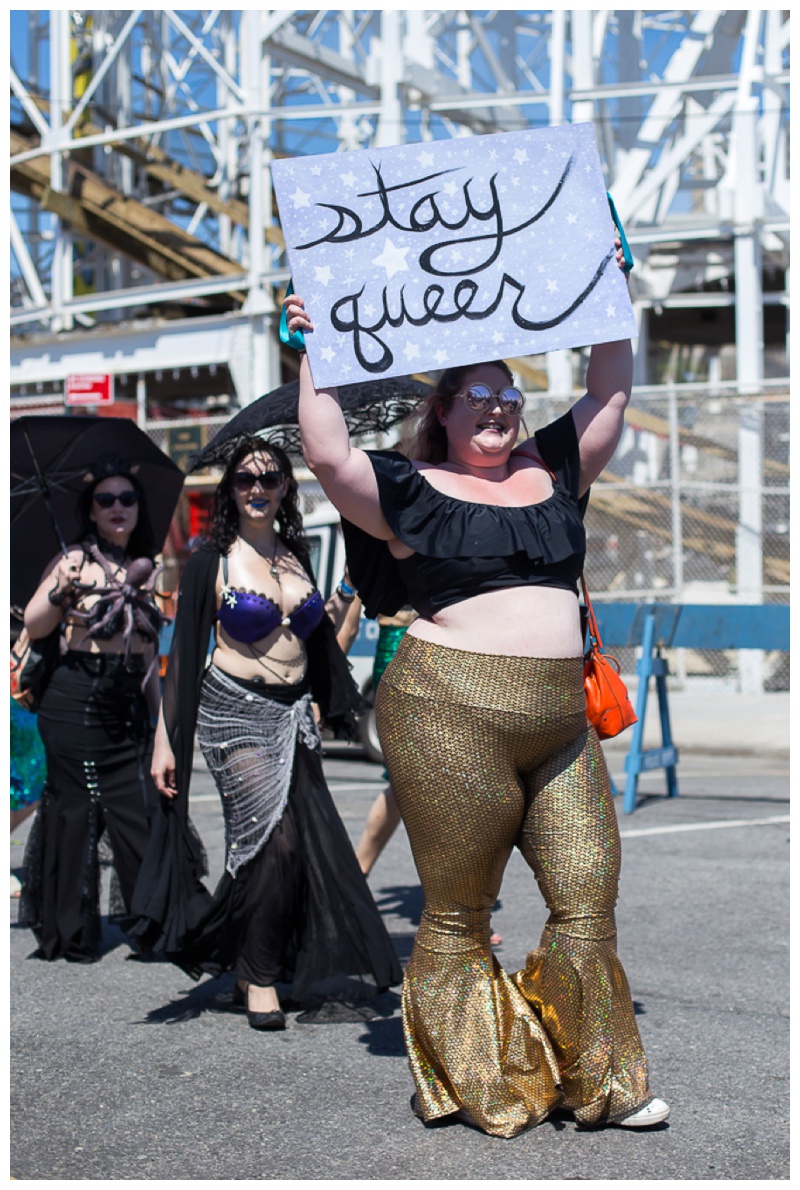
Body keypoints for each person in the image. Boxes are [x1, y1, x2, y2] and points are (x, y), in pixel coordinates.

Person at [285, 258, 669, 1137]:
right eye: (479, 397)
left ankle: (602, 1081)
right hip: (447, 707)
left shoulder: (556, 469)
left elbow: (609, 391)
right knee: (458, 910)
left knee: (588, 892)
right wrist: (314, 351)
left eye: (509, 397)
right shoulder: (409, 490)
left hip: (560, 720)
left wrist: (609, 295)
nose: (498, 409)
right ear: (445, 413)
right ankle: (480, 1079)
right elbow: (327, 452)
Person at [143, 437, 401, 1030]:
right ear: (230, 491)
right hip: (234, 711)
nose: (257, 489)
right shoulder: (213, 559)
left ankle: (251, 958)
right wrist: (165, 739)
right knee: (274, 841)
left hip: (292, 714)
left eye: (269, 480)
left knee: (293, 845)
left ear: (286, 489)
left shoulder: (296, 555)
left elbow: (318, 643)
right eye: (245, 480)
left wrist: (341, 601)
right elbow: (182, 656)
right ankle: (258, 977)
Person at [18, 456, 164, 961]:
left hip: (127, 703)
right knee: (74, 813)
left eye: (127, 499)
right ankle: (71, 929)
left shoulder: (145, 568)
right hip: (74, 699)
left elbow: (147, 653)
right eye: (106, 500)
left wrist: (159, 722)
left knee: (139, 810)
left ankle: (154, 922)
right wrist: (63, 591)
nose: (118, 508)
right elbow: (36, 626)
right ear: (93, 510)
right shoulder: (74, 560)